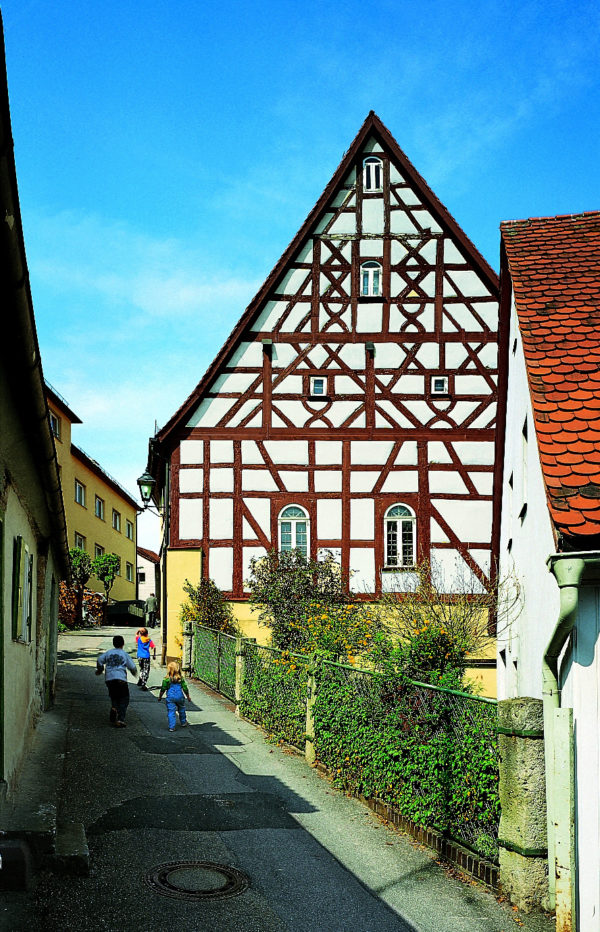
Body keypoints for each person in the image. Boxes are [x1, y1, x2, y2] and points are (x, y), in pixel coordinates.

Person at [96, 635, 137, 727]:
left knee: (114, 695)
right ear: (123, 644)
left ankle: (114, 708)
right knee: (124, 698)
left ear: (113, 643)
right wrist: (135, 674)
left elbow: (99, 660)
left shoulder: (108, 653)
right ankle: (120, 720)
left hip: (109, 679)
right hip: (121, 679)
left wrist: (100, 669)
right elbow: (132, 667)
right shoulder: (124, 654)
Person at [158, 661, 191, 732]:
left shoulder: (166, 679)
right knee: (181, 709)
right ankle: (183, 722)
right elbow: (185, 688)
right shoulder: (180, 679)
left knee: (171, 711)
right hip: (180, 697)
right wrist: (188, 696)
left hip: (170, 697)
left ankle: (172, 727)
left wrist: (160, 697)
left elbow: (163, 689)